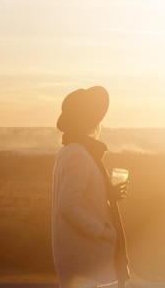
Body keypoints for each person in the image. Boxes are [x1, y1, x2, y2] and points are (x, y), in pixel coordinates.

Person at [52, 86, 130, 288]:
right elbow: (68, 206)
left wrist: (108, 193)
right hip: (84, 258)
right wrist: (102, 232)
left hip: (79, 258)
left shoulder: (70, 150)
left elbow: (79, 196)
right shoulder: (79, 154)